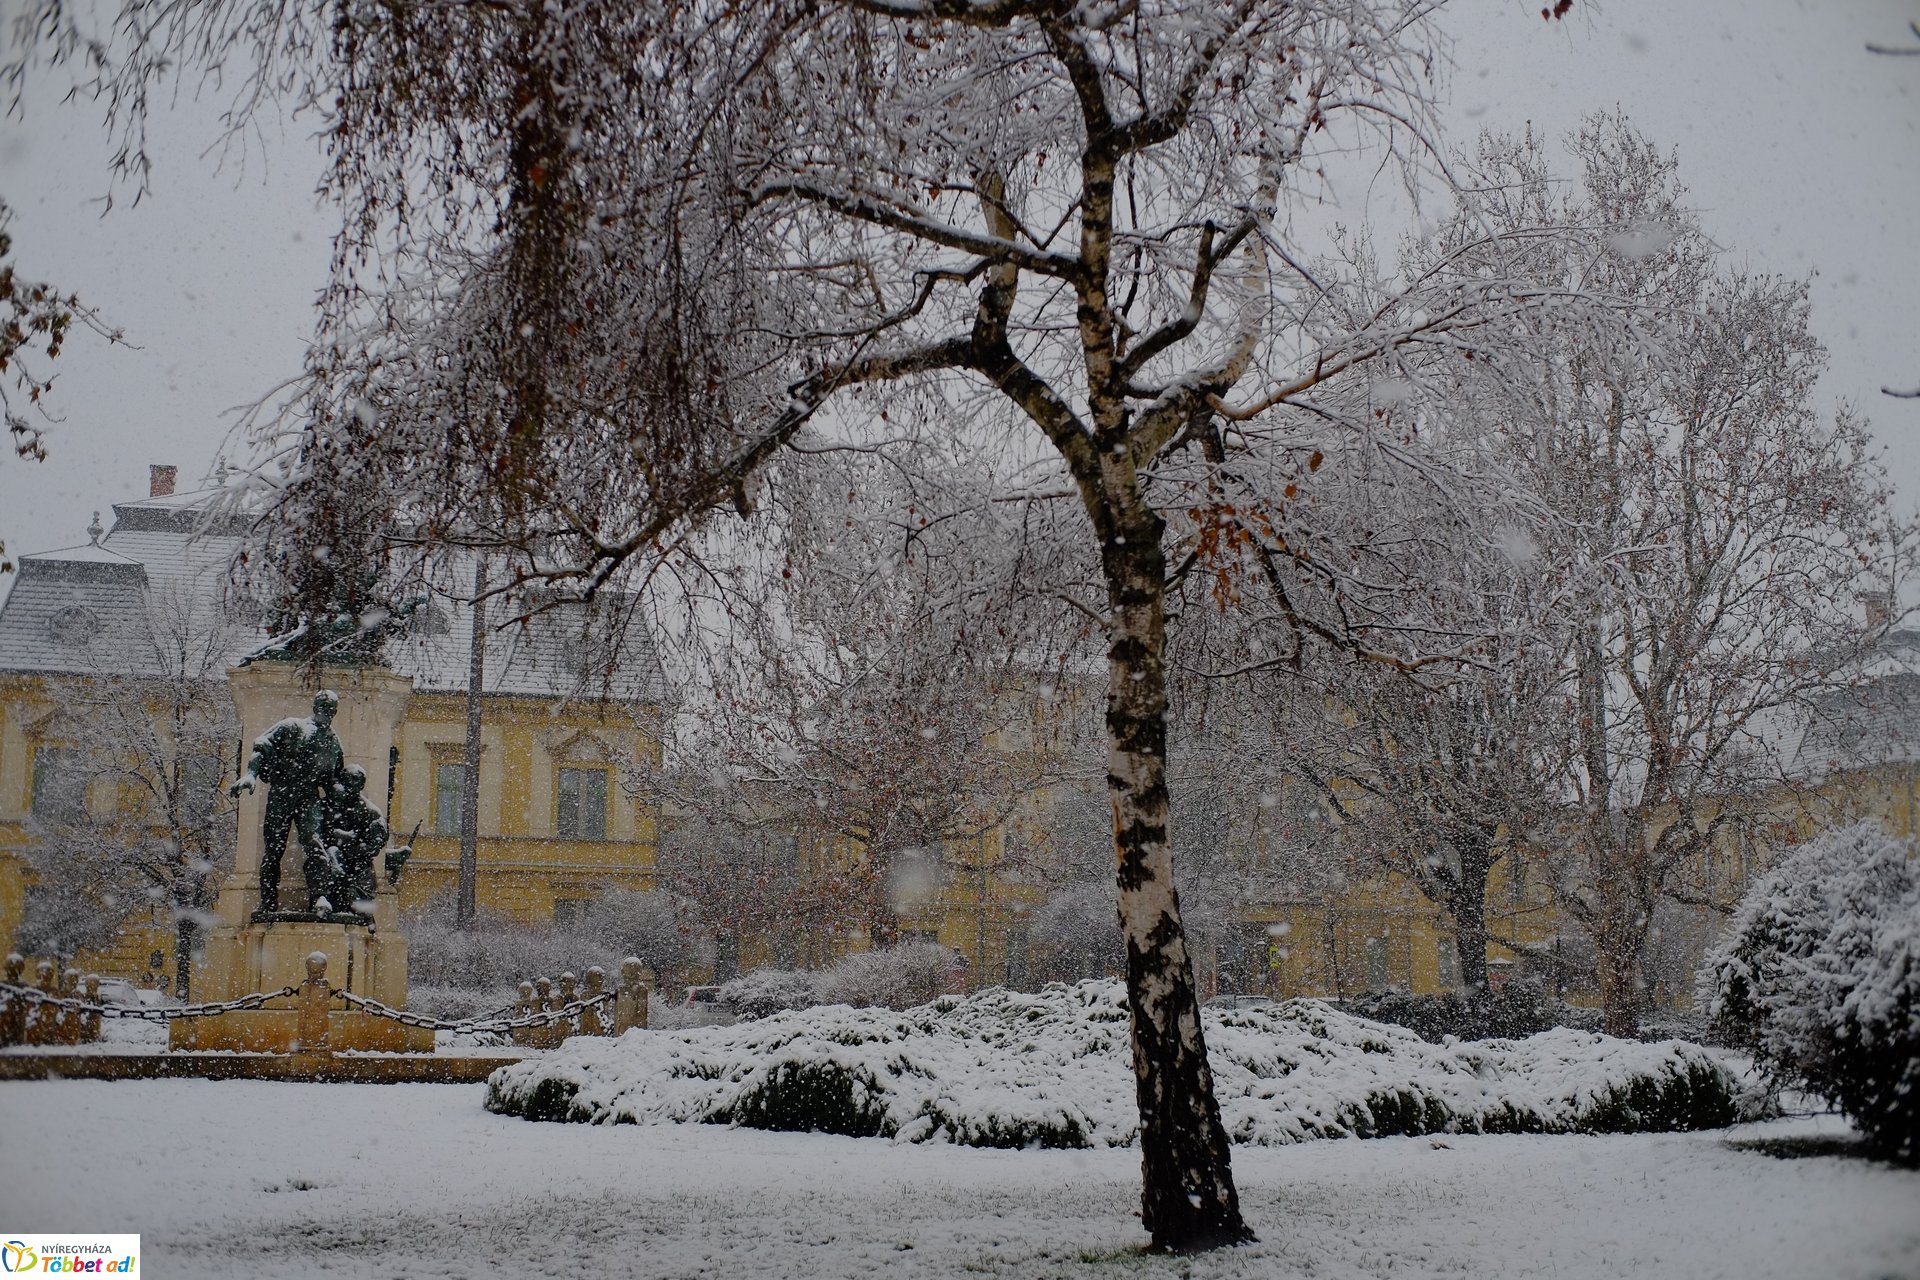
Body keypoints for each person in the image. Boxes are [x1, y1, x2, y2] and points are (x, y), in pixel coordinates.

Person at [230, 691, 345, 913]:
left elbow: (333, 780)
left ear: (335, 712)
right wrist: (251, 775)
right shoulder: (292, 726)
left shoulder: (333, 742)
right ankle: (268, 902)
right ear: (314, 705)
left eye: (330, 708)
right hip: (282, 793)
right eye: (322, 705)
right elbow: (261, 747)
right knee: (273, 851)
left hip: (309, 797)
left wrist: (343, 796)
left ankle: (319, 897)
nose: (325, 711)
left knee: (315, 845)